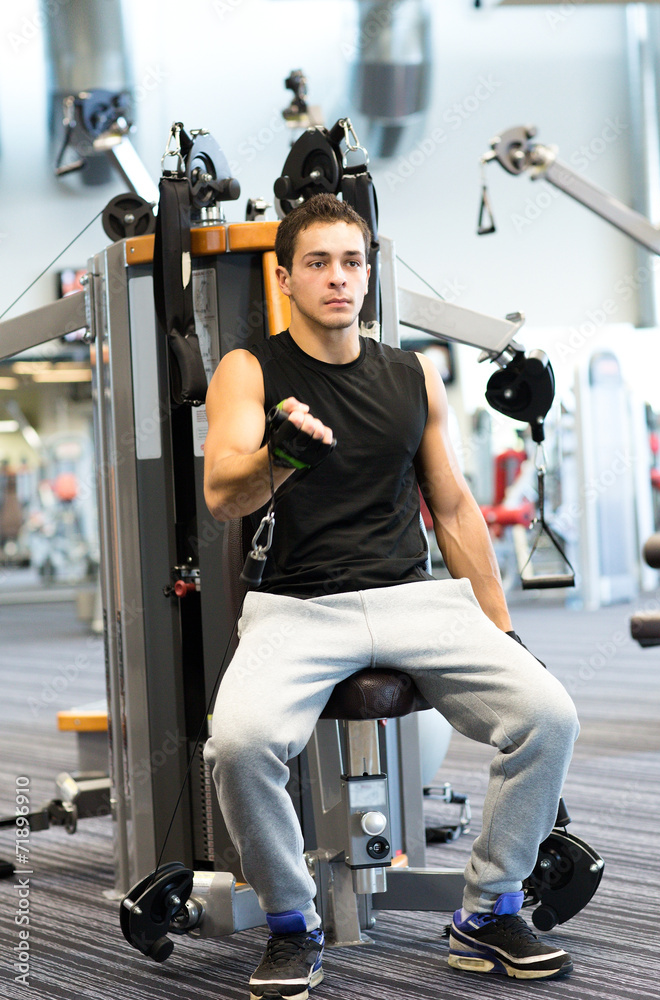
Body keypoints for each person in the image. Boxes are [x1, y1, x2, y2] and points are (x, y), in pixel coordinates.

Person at [203, 193, 579, 1000]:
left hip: (416, 600)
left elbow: (451, 509)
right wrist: (281, 456)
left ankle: (488, 910)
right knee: (237, 745)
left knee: (549, 715)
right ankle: (291, 926)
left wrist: (502, 627)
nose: (337, 278)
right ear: (286, 277)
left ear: (368, 275)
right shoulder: (251, 370)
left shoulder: (413, 373)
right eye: (317, 263)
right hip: (297, 608)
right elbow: (222, 496)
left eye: (351, 262)